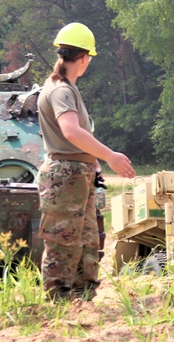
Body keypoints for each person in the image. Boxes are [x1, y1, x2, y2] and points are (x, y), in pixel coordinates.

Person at [37, 22, 135, 301]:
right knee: (63, 243)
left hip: (77, 174)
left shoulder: (66, 88)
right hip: (65, 176)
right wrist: (109, 155)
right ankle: (59, 303)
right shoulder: (60, 91)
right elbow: (70, 131)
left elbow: (74, 137)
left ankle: (81, 301)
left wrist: (93, 162)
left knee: (88, 242)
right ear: (84, 58)